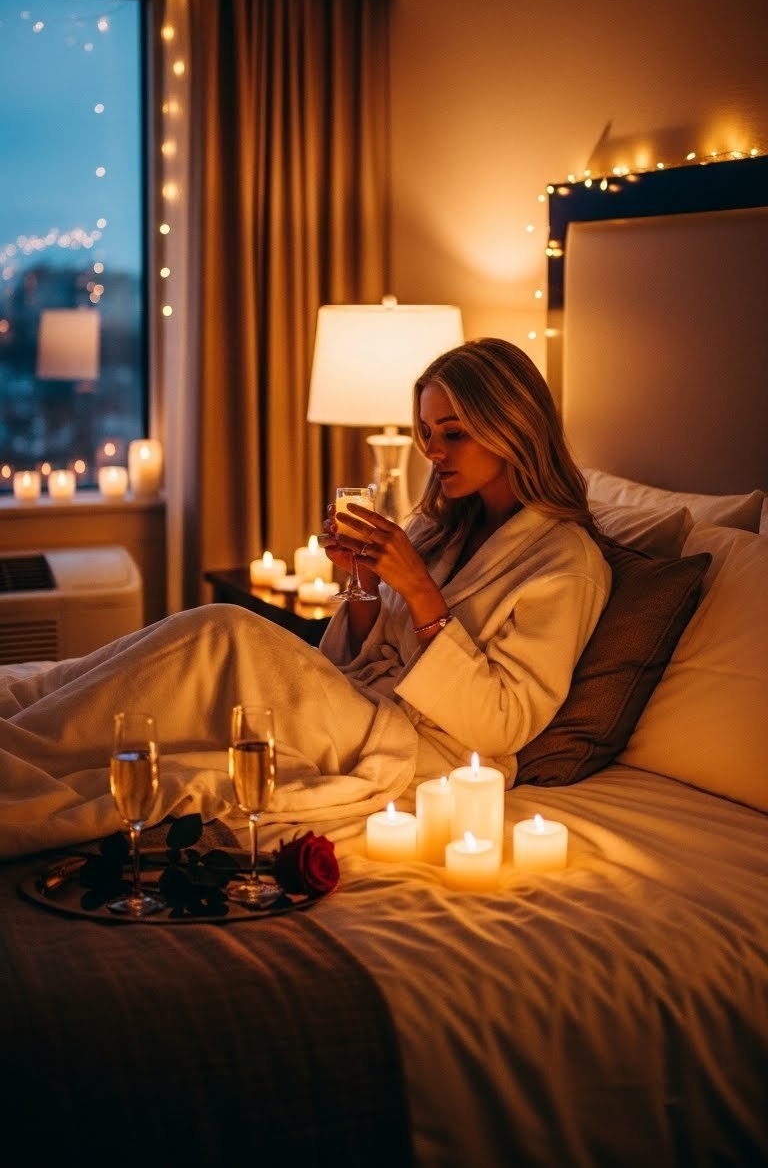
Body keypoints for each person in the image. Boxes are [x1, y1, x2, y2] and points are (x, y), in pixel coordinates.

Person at [0, 338, 610, 860]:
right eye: (427, 432)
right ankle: (26, 713)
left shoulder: (565, 563)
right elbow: (352, 657)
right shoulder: (441, 525)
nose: (432, 451)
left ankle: (21, 753)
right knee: (190, 654)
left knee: (223, 635)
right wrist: (365, 583)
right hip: (360, 701)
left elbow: (504, 724)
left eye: (453, 433)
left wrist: (420, 591)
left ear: (511, 428)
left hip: (426, 747)